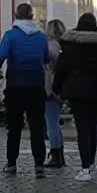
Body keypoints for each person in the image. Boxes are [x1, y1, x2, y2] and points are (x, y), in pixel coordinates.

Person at [0, 3, 50, 177]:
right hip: (36, 85)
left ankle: (11, 164)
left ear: (16, 16)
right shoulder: (41, 37)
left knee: (14, 127)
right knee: (37, 127)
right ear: (32, 17)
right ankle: (39, 164)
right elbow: (45, 59)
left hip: (16, 86)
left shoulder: (10, 36)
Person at [53, 12, 97, 181]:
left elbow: (61, 68)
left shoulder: (71, 43)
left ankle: (85, 166)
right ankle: (91, 164)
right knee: (93, 126)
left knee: (82, 128)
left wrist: (57, 88)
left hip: (77, 88)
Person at [42, 20, 67, 168]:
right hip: (60, 88)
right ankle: (60, 154)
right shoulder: (64, 46)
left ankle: (55, 154)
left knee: (51, 124)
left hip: (49, 88)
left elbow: (46, 68)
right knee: (55, 122)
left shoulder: (49, 46)